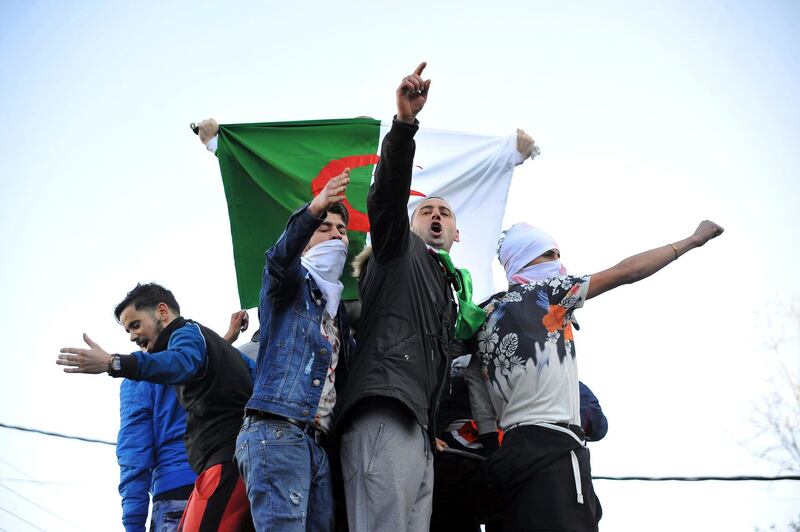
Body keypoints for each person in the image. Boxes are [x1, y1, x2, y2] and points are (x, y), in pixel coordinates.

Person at [470, 220, 724, 531]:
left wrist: (488, 443)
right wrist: (692, 241)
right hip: (554, 447)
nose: (558, 263)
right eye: (549, 255)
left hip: (506, 456)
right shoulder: (551, 293)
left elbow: (472, 382)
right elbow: (626, 272)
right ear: (524, 259)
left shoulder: (482, 313)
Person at [332, 62, 459, 532]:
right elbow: (386, 197)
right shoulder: (396, 249)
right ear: (410, 224)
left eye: (446, 211)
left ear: (457, 232)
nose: (437, 216)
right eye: (427, 209)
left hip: (417, 429)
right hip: (383, 412)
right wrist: (404, 126)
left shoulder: (449, 290)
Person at [57, 283, 256, 531]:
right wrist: (226, 340)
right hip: (240, 477)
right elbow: (203, 368)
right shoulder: (207, 347)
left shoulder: (143, 373)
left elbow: (134, 452)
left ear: (162, 311)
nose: (131, 337)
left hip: (196, 484)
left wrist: (113, 363)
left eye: (135, 325)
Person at [235, 171, 355, 531]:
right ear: (305, 241)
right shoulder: (289, 285)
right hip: (278, 432)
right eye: (324, 226)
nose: (335, 233)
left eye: (341, 229)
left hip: (316, 445)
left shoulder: (340, 313)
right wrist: (314, 208)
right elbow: (278, 259)